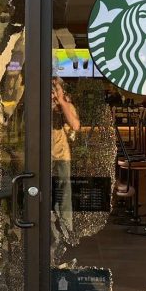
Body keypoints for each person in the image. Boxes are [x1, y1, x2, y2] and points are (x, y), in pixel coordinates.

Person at [51, 76, 81, 248]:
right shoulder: (35, 104)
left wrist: (61, 102)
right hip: (40, 155)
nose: (52, 92)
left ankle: (66, 227)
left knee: (64, 191)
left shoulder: (65, 106)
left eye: (55, 88)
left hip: (61, 155)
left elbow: (75, 125)